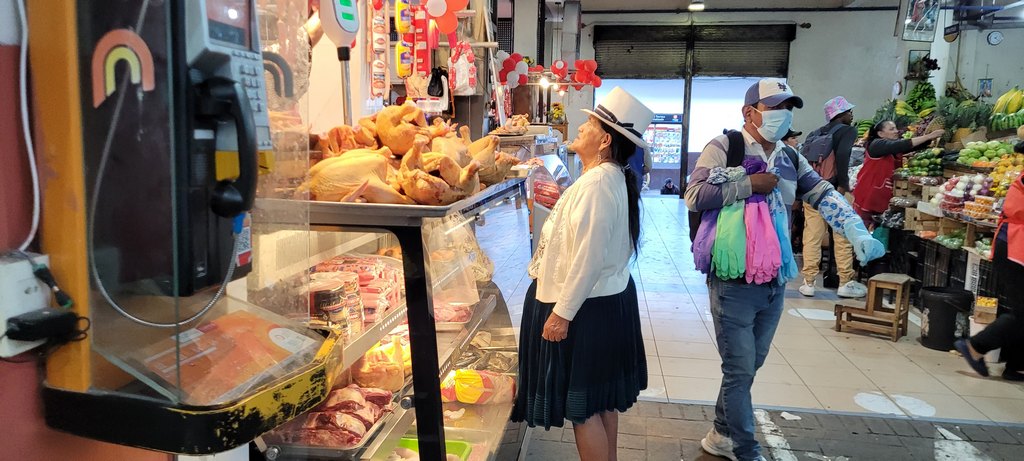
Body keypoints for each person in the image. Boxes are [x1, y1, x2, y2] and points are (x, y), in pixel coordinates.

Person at [686, 79, 884, 461]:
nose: (784, 114)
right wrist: (748, 183)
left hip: (776, 277)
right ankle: (746, 449)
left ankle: (722, 433)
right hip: (734, 278)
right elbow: (694, 196)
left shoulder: (790, 156)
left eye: (788, 106)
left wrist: (854, 228)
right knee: (740, 370)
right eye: (775, 106)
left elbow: (821, 193)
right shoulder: (724, 147)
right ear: (750, 112)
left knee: (747, 368)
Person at [512, 87, 651, 461]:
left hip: (587, 309)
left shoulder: (599, 182)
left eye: (590, 123)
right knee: (600, 400)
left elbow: (588, 256)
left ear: (605, 139)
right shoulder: (607, 176)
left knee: (584, 408)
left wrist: (562, 314)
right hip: (605, 304)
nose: (581, 126)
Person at [954, 141, 1024, 382]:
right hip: (1017, 248)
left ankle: (1016, 366)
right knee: (1022, 313)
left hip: (1015, 246)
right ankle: (975, 347)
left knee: (1021, 310)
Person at [799, 97, 865, 299]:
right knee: (843, 234)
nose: (851, 114)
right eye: (848, 111)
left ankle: (808, 282)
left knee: (812, 235)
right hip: (834, 190)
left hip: (812, 190)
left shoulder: (815, 133)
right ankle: (845, 281)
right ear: (839, 114)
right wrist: (843, 184)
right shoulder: (847, 131)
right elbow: (843, 155)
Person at [852, 120, 945, 226]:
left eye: (896, 128)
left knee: (877, 225)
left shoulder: (889, 145)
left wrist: (930, 140)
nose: (896, 131)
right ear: (880, 134)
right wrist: (928, 136)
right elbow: (901, 145)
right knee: (864, 226)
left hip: (881, 192)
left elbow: (909, 146)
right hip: (869, 192)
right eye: (891, 129)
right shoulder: (876, 144)